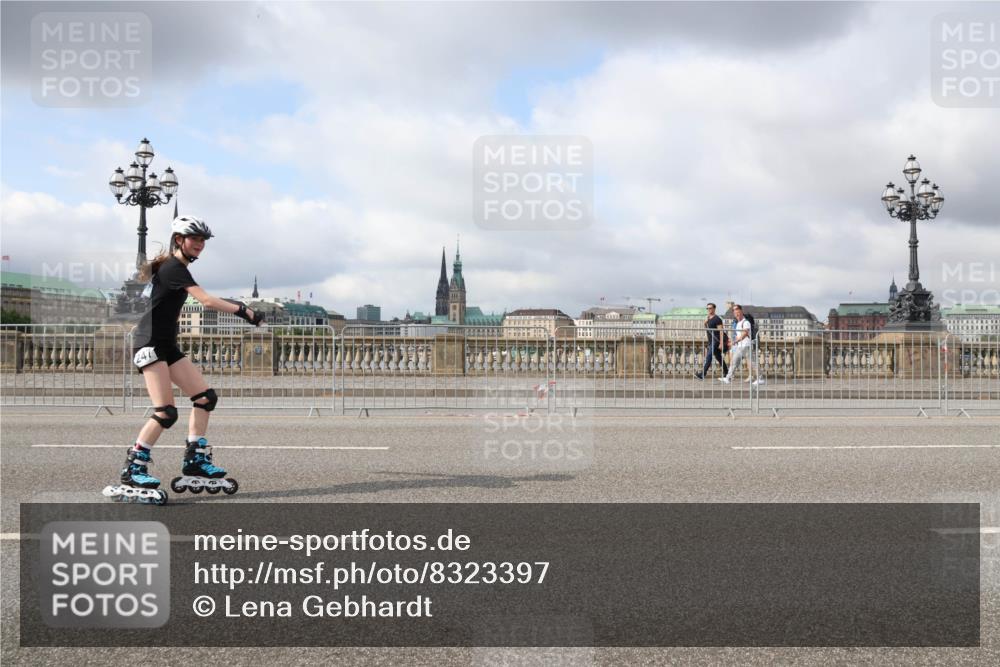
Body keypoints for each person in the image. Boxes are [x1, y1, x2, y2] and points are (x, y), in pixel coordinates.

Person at [103, 215, 264, 504]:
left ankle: (195, 459)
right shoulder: (174, 267)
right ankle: (133, 468)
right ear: (179, 240)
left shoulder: (173, 267)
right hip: (149, 344)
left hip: (166, 345)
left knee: (205, 398)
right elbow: (207, 301)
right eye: (195, 239)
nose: (200, 245)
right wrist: (245, 311)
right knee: (166, 412)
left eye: (203, 240)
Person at [718, 304, 753, 385]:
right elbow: (737, 335)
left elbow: (745, 334)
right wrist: (732, 341)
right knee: (735, 362)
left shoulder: (746, 322)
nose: (735, 311)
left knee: (751, 363)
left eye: (737, 309)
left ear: (741, 311)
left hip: (745, 345)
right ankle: (728, 378)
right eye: (734, 310)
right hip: (741, 346)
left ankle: (760, 377)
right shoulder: (738, 323)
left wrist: (735, 342)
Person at [694, 303, 728, 380]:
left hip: (716, 341)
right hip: (711, 340)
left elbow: (721, 331)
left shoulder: (717, 319)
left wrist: (721, 343)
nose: (709, 310)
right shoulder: (708, 318)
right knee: (719, 357)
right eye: (707, 308)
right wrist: (705, 322)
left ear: (714, 309)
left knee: (709, 356)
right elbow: (707, 328)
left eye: (710, 308)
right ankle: (727, 372)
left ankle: (703, 374)